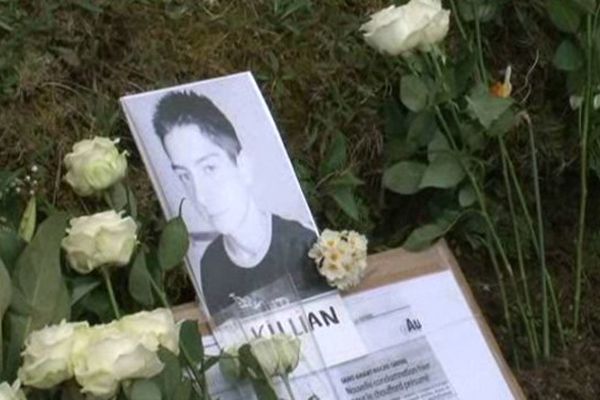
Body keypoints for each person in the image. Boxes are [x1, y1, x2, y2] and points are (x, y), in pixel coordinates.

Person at [152, 91, 329, 316]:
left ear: (242, 165)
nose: (201, 196)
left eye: (210, 168)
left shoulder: (301, 244)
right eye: (185, 176)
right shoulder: (210, 265)